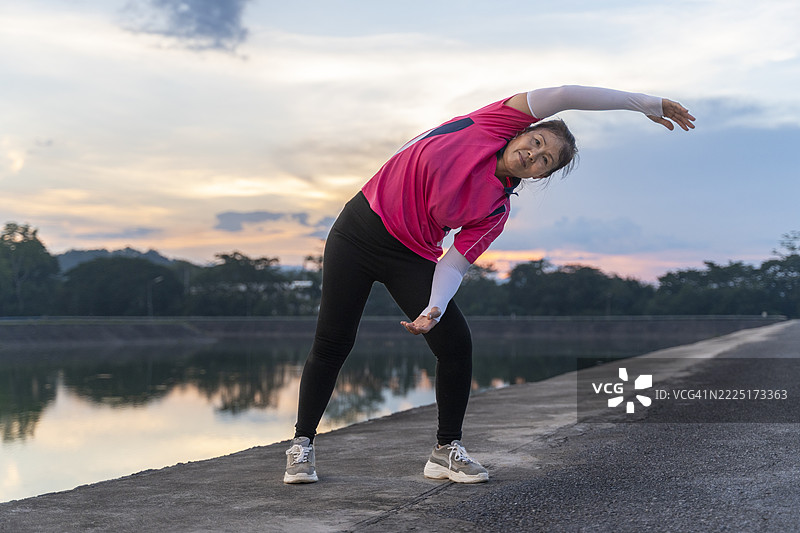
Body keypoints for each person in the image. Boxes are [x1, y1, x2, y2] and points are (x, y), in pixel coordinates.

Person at [283, 85, 695, 484]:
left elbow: (454, 265)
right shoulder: (489, 124)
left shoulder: (496, 209)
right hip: (357, 231)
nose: (533, 155)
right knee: (333, 341)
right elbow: (566, 95)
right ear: (521, 131)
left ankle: (445, 451)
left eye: (544, 161)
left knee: (455, 345)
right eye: (535, 143)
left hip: (412, 255)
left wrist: (434, 307)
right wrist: (644, 102)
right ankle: (301, 446)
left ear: (539, 176)